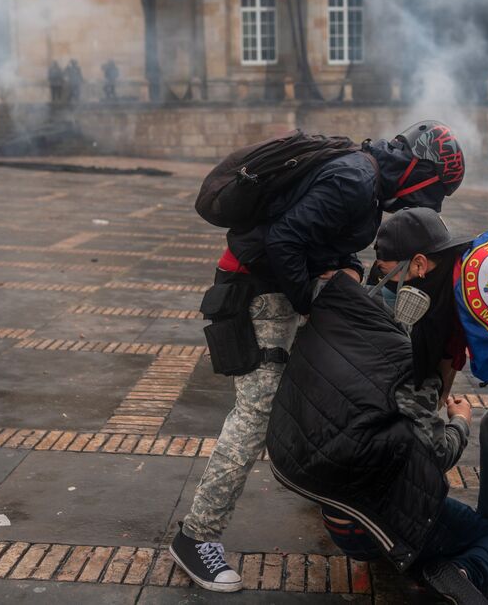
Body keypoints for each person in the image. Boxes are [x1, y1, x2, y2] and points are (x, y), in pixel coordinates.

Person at [170, 122, 467, 592]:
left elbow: (316, 235)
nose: (415, 205)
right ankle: (196, 536)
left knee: (314, 385)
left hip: (275, 288)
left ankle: (326, 495)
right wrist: (313, 301)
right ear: (420, 174)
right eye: (428, 193)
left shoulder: (362, 178)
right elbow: (284, 241)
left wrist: (342, 265)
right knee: (255, 414)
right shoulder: (357, 180)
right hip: (258, 295)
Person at [266, 208, 488, 603]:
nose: (380, 277)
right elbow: (434, 456)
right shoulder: (406, 357)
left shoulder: (340, 310)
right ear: (421, 264)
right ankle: (460, 571)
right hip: (369, 523)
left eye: (385, 268)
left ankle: (425, 560)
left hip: (333, 504)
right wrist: (460, 421)